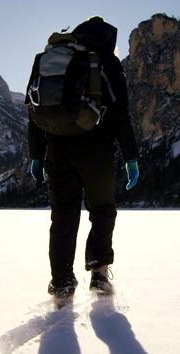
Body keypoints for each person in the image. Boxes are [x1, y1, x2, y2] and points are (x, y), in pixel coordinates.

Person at [28, 16, 140, 296]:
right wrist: (131, 157)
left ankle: (62, 281)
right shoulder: (106, 62)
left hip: (57, 148)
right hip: (96, 151)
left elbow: (34, 112)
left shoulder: (53, 59)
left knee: (63, 215)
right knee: (102, 210)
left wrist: (37, 156)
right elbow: (121, 114)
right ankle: (99, 274)